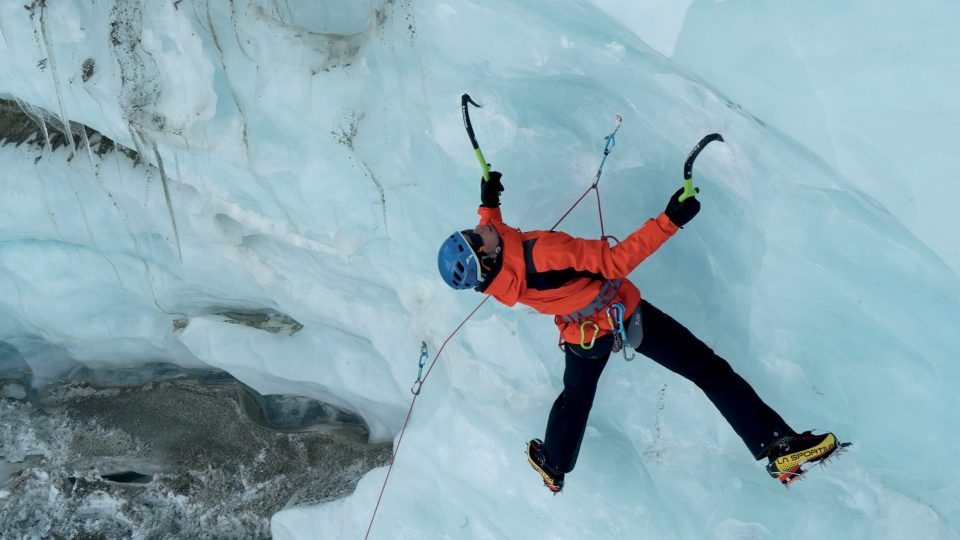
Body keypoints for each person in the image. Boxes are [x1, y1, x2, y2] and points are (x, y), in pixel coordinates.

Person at [437, 170, 840, 492]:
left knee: (576, 398)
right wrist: (669, 221)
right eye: (474, 237)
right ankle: (776, 445)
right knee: (708, 370)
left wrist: (489, 203)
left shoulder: (496, 280)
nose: (476, 228)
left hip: (583, 335)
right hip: (624, 315)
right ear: (486, 257)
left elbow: (496, 239)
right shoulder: (544, 253)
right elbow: (613, 263)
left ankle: (554, 465)